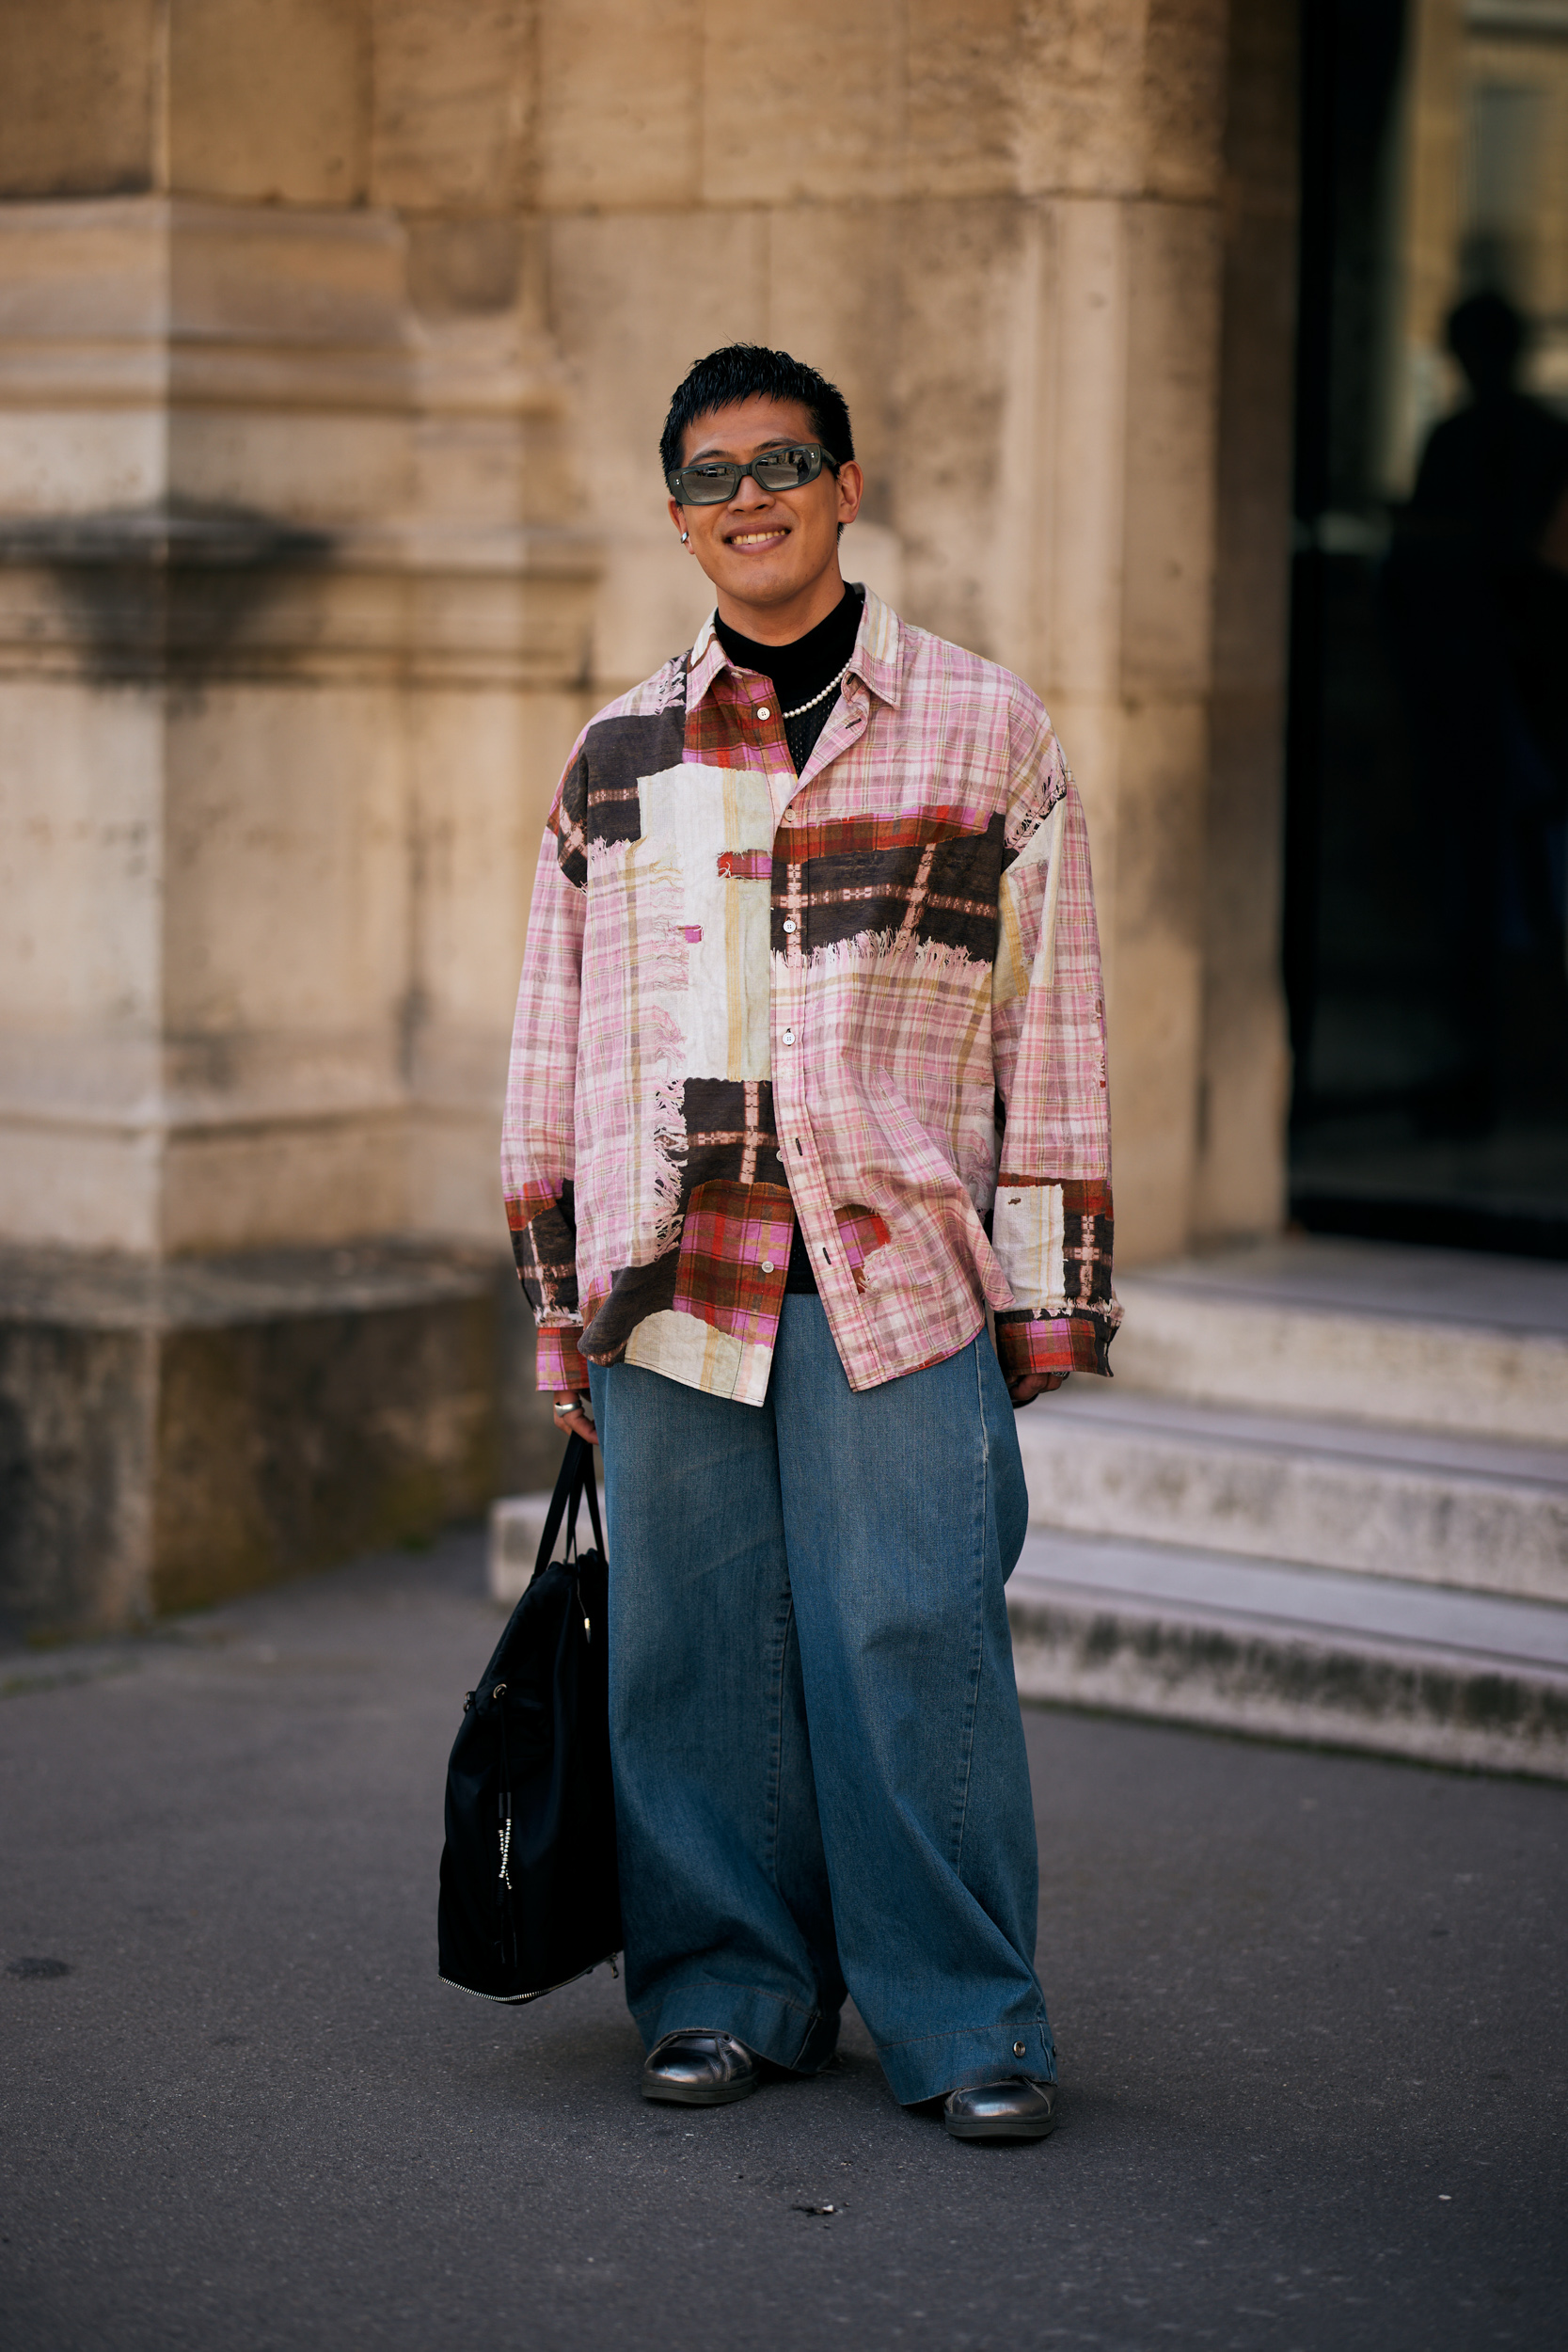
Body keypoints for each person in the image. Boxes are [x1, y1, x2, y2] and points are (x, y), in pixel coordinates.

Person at [502, 344, 1118, 2143]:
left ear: (848, 486)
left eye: (783, 462)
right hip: (666, 1258)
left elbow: (1049, 1026)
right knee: (691, 1647)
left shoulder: (984, 726)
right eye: (709, 474)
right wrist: (559, 1304)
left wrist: (1052, 1288)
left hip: (894, 1257)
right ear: (678, 513)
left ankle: (966, 2018)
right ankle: (727, 1989)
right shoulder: (617, 749)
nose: (748, 496)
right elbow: (552, 1033)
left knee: (911, 1629)